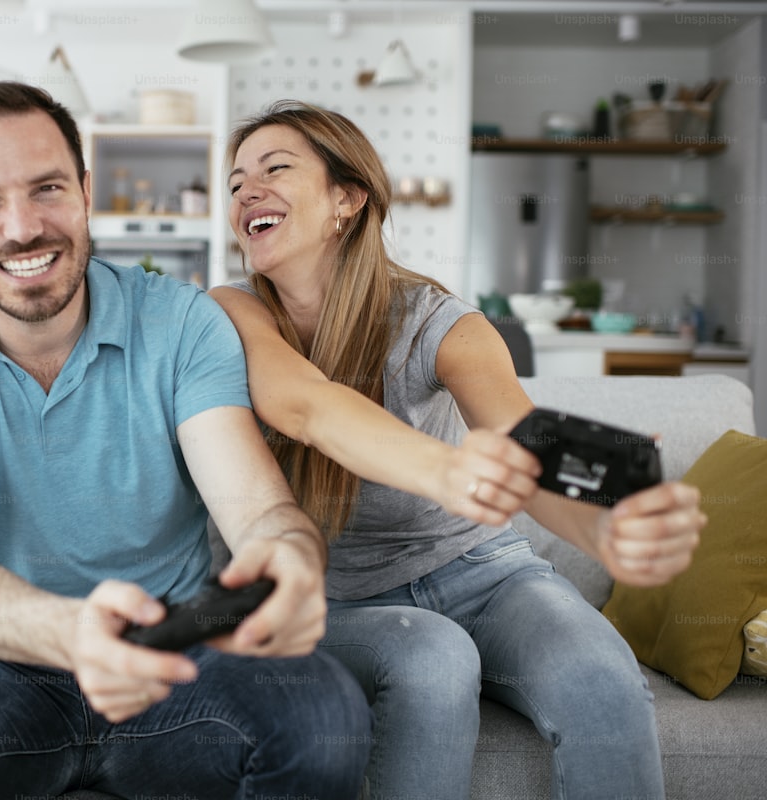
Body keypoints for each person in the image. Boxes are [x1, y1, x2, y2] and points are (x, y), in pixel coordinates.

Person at [0, 83, 371, 800]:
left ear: (85, 191)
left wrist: (290, 554)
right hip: (1, 667)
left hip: (175, 657)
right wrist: (70, 632)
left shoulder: (181, 322)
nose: (22, 228)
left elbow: (259, 509)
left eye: (46, 188)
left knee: (322, 714)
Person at [212, 100, 706, 800]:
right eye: (235, 183)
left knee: (601, 678)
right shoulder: (231, 312)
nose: (246, 192)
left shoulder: (439, 321)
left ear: (346, 199)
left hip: (483, 571)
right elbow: (307, 404)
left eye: (275, 169)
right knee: (431, 660)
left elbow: (526, 443)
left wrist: (604, 524)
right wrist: (454, 472)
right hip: (340, 599)